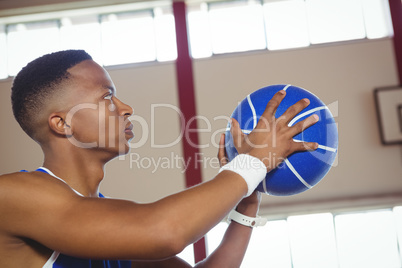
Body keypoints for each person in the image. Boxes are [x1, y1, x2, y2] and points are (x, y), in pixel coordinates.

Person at [0, 50, 318, 268]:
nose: (126, 108)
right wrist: (253, 162)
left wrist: (247, 202)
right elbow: (164, 233)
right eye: (107, 96)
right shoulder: (12, 195)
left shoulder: (104, 223)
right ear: (61, 123)